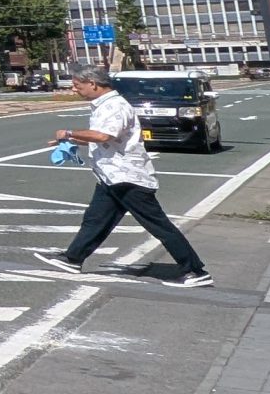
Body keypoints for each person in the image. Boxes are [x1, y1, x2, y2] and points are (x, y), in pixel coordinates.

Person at [35, 66, 213, 287]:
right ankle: (73, 258)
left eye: (77, 85)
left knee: (158, 225)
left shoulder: (114, 106)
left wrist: (69, 132)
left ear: (93, 83)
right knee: (95, 220)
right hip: (111, 176)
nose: (74, 89)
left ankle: (194, 271)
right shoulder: (103, 105)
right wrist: (71, 141)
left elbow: (103, 135)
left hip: (128, 178)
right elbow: (106, 139)